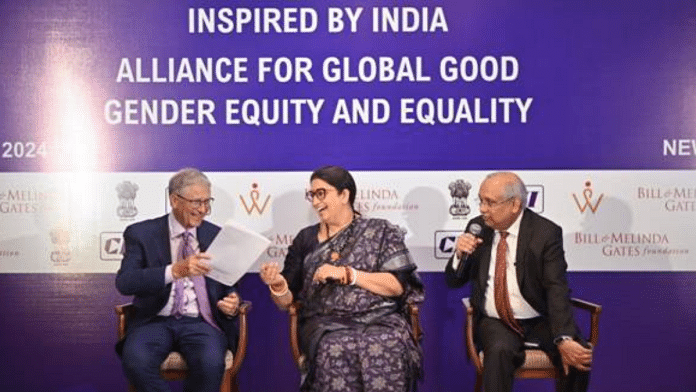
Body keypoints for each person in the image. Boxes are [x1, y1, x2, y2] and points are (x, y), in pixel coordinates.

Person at [260, 165, 424, 392]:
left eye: (321, 193)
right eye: (312, 195)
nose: (316, 202)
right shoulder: (305, 239)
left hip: (381, 319)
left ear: (344, 194)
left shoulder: (381, 231)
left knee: (389, 343)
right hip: (326, 324)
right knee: (334, 348)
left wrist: (348, 274)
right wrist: (278, 286)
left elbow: (397, 287)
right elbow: (286, 301)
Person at [445, 172, 593, 392]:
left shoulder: (545, 233)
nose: (482, 209)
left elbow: (556, 286)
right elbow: (454, 281)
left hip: (537, 317)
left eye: (490, 203)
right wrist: (459, 255)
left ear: (515, 205)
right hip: (495, 321)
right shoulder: (478, 226)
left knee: (577, 352)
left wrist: (563, 337)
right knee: (499, 351)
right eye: (481, 201)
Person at [115, 168, 242, 392]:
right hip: (154, 320)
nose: (203, 210)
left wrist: (231, 304)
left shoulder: (217, 235)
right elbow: (126, 282)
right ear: (174, 200)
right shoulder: (141, 233)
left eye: (207, 202)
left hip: (201, 322)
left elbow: (228, 285)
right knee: (136, 360)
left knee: (211, 362)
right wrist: (174, 271)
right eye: (196, 202)